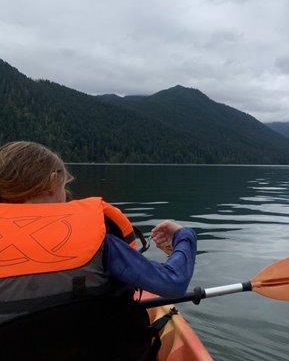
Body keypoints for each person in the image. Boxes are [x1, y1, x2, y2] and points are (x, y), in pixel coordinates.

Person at [0, 141, 197, 360]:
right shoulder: (101, 243)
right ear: (51, 188)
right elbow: (173, 282)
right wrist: (184, 237)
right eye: (64, 189)